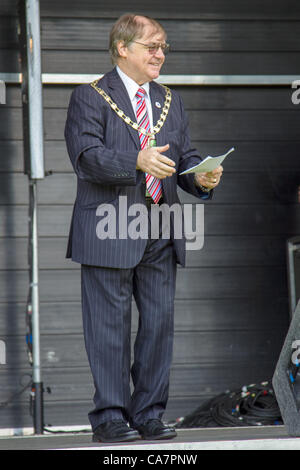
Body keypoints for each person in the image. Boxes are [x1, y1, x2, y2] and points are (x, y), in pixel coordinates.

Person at [64, 13, 223, 443]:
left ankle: (149, 414)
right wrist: (135, 160)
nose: (160, 54)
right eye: (152, 46)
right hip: (107, 227)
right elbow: (85, 157)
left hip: (161, 224)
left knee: (158, 325)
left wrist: (199, 177)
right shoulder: (90, 97)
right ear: (123, 48)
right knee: (108, 328)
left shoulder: (170, 99)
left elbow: (183, 159)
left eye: (164, 47)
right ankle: (111, 419)